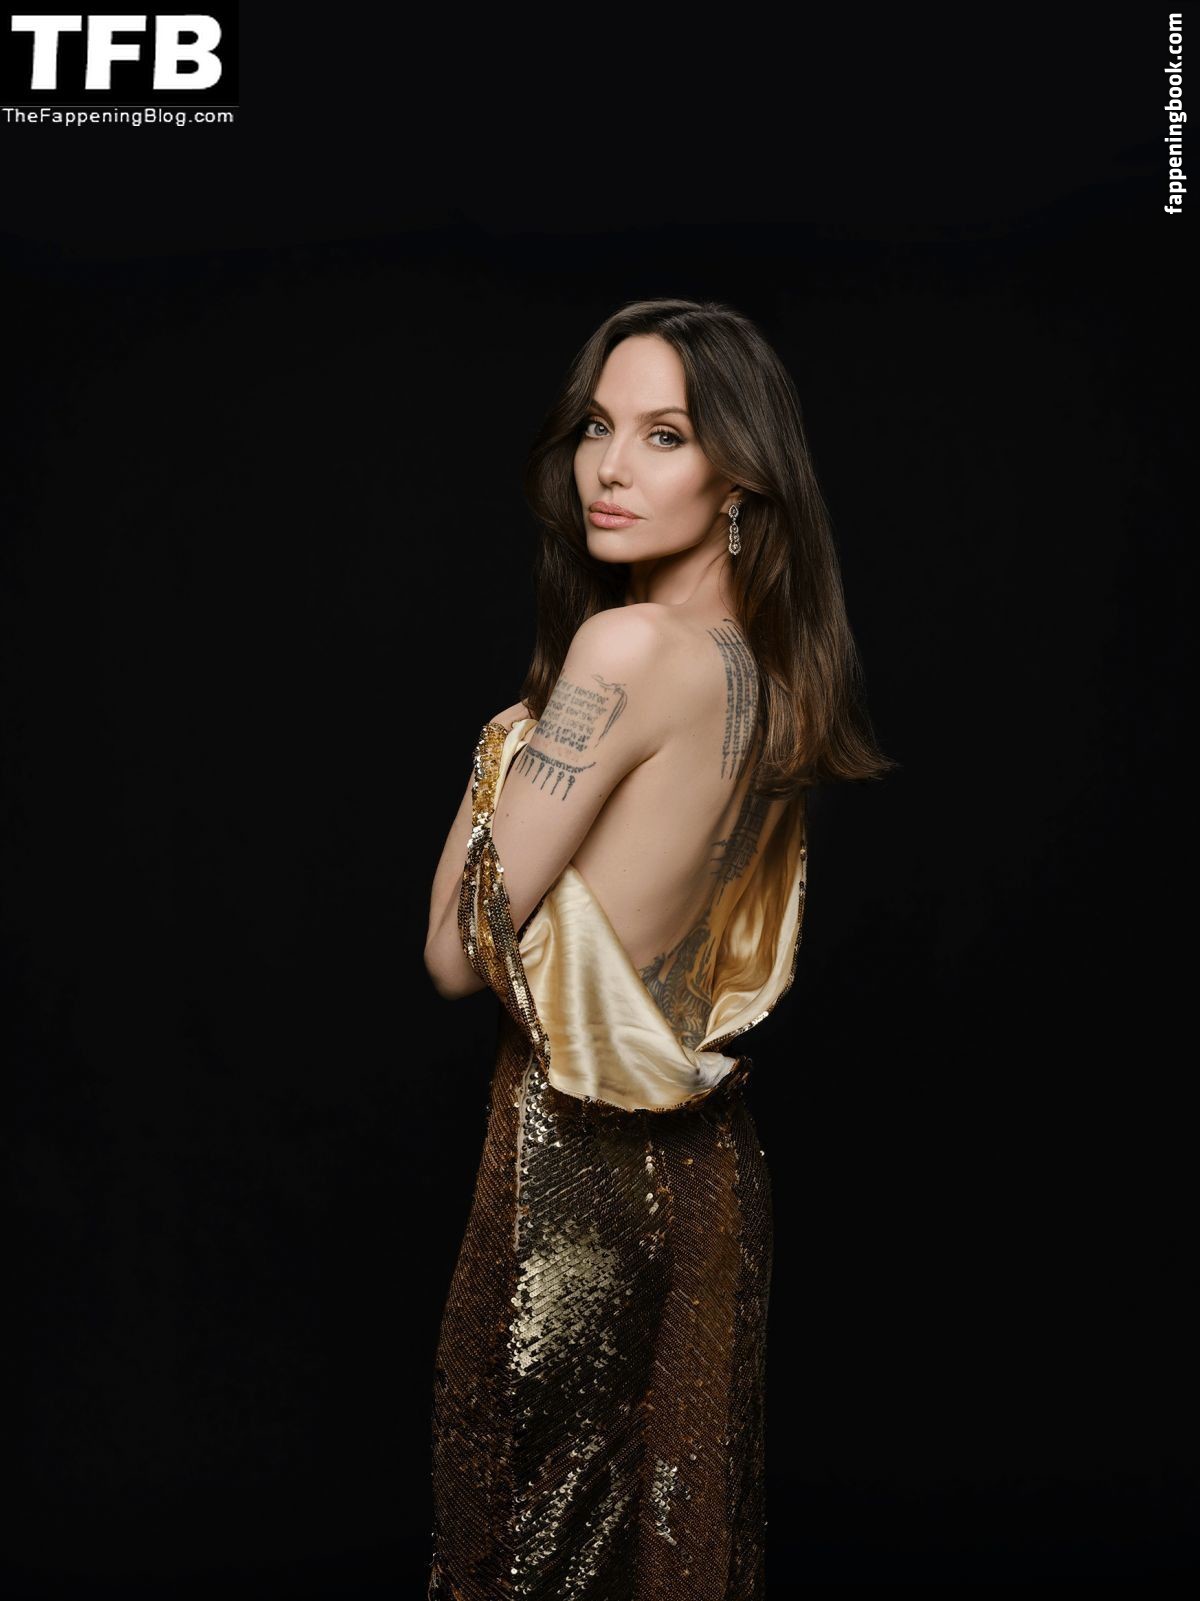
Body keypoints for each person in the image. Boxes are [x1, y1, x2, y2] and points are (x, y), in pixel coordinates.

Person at [423, 297, 895, 1599]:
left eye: (665, 434)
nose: (610, 467)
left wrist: (502, 744)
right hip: (709, 1173)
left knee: (529, 1547)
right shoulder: (775, 677)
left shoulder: (624, 646)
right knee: (664, 1540)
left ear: (739, 477)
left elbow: (459, 952)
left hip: (572, 1173)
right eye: (596, 427)